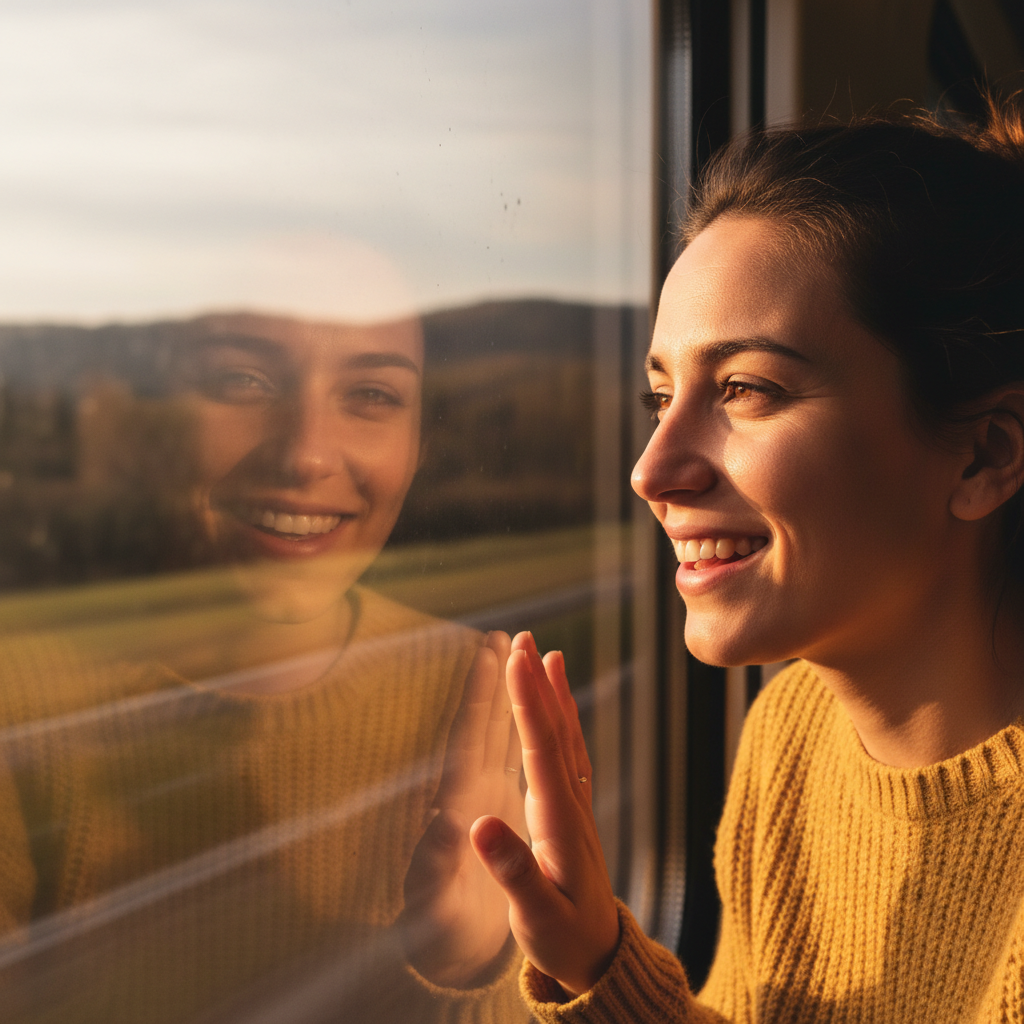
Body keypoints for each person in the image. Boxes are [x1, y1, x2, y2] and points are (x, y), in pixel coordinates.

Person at [469, 98, 1024, 1022]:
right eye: (661, 397)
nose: (653, 471)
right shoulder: (793, 731)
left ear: (985, 455)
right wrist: (600, 963)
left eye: (745, 390)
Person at [0, 308, 528, 1023]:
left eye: (372, 395)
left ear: (419, 443)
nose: (306, 454)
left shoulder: (481, 703)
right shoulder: (20, 699)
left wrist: (467, 964)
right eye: (241, 379)